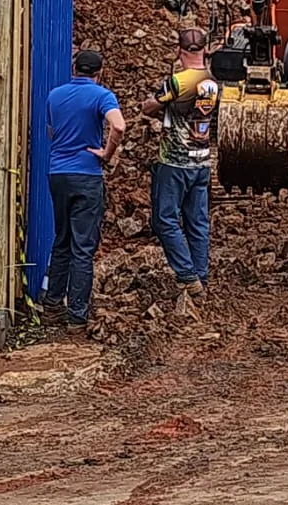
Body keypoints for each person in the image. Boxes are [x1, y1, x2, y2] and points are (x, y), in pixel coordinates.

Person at [44, 49, 125, 331]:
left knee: (62, 239)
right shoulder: (103, 96)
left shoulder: (54, 95)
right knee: (83, 247)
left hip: (58, 174)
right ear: (99, 72)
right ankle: (77, 314)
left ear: (74, 68)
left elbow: (52, 133)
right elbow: (119, 125)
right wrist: (106, 153)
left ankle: (52, 304)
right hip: (86, 175)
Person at [143, 26, 219, 301]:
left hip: (175, 161)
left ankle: (187, 276)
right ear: (204, 51)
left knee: (164, 219)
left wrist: (158, 105)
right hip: (201, 160)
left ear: (180, 51)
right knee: (197, 223)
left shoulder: (178, 82)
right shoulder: (212, 81)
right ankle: (201, 277)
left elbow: (149, 107)